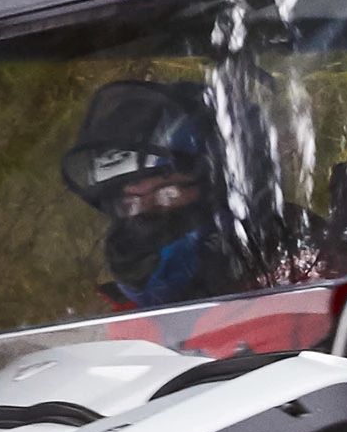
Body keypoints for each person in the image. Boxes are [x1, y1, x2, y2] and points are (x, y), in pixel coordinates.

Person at [61, 78, 245, 309]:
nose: (144, 215)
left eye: (166, 194)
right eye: (129, 203)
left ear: (218, 187)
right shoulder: (124, 329)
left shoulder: (290, 285)